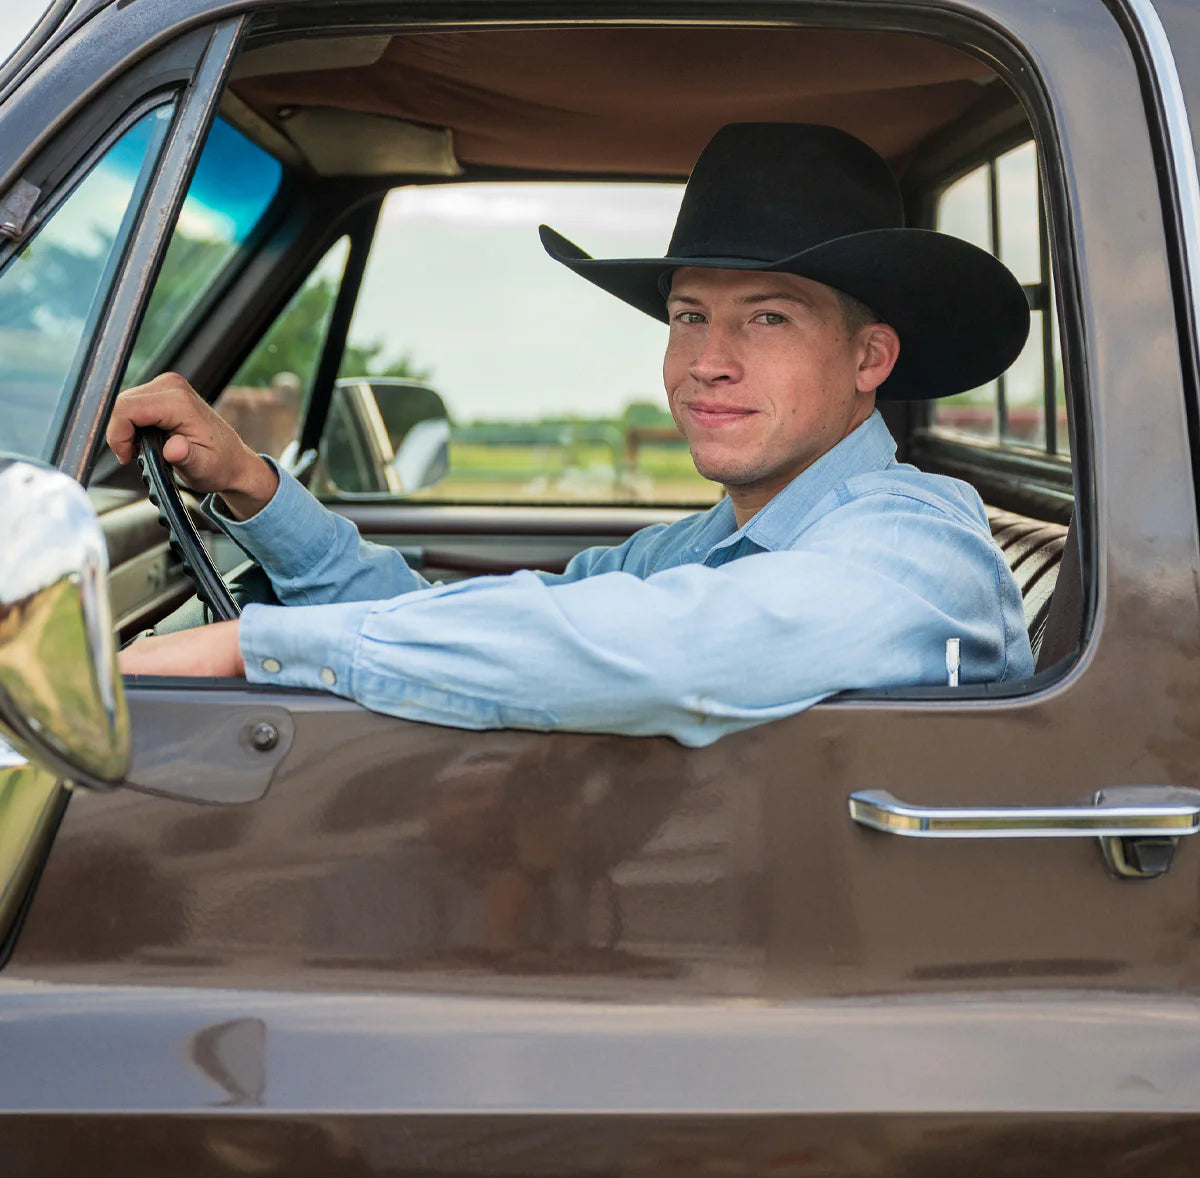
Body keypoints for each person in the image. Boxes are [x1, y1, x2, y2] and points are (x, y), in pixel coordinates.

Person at [110, 123, 1035, 747]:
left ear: (870, 358)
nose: (706, 362)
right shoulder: (692, 548)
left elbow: (687, 649)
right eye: (686, 316)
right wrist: (253, 489)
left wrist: (250, 649)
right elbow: (476, 623)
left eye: (768, 319)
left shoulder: (917, 540)